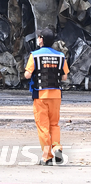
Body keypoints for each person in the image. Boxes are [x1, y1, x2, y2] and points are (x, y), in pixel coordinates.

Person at [24, 27, 69, 165]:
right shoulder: (60, 56)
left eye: (39, 37)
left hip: (41, 95)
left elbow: (27, 74)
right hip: (56, 95)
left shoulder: (35, 55)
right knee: (54, 124)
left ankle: (47, 157)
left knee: (43, 126)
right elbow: (64, 77)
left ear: (41, 40)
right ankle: (57, 147)